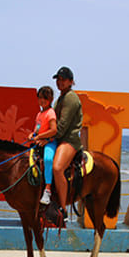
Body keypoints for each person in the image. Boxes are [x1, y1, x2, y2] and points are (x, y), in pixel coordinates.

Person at [51, 66, 83, 221]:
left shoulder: (70, 98)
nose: (59, 82)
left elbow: (62, 127)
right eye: (58, 79)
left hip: (68, 140)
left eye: (63, 80)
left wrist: (47, 137)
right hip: (58, 139)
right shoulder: (60, 98)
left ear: (71, 81)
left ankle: (62, 209)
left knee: (57, 168)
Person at [29, 86, 58, 205]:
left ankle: (48, 189)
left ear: (50, 99)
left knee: (47, 159)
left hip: (49, 142)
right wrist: (33, 134)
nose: (42, 101)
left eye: (45, 98)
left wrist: (40, 137)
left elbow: (53, 130)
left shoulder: (50, 113)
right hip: (39, 142)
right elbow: (37, 129)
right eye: (40, 98)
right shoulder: (39, 114)